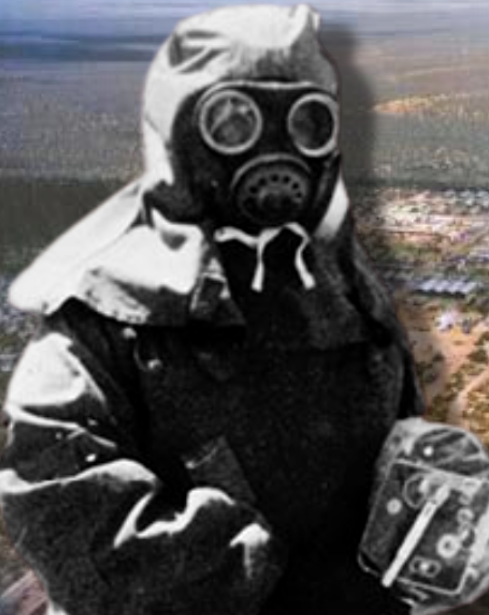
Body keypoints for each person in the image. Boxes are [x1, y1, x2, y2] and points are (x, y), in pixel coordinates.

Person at [0, 5, 424, 614]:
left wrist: (434, 499)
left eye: (307, 123)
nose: (279, 151)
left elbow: (396, 446)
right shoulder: (99, 322)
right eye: (235, 122)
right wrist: (285, 571)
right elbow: (73, 530)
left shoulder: (347, 298)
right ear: (180, 136)